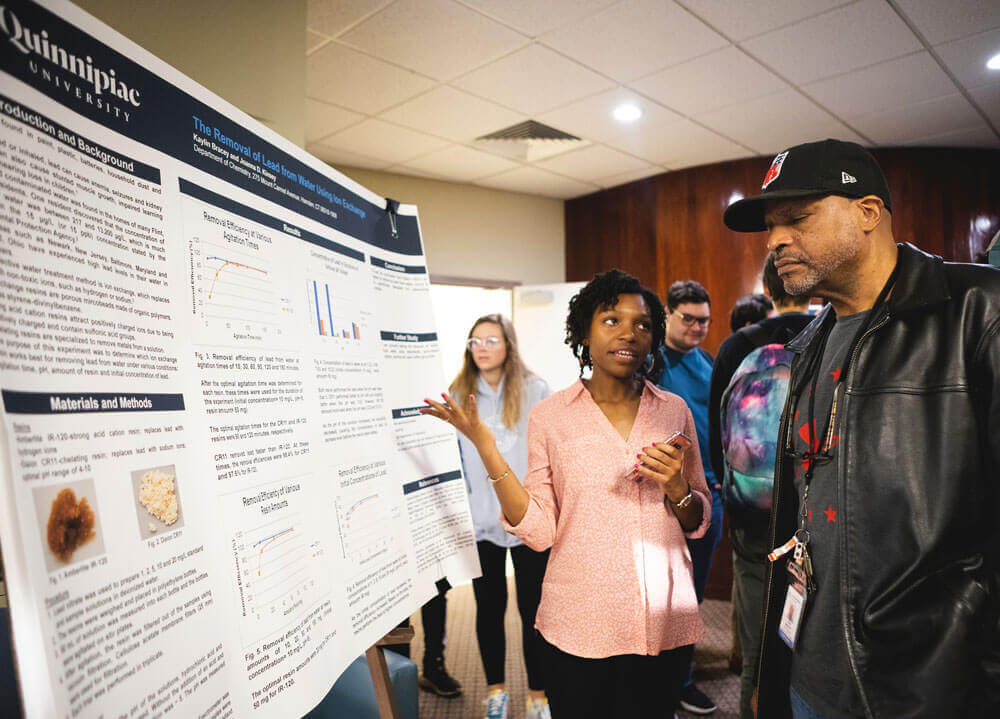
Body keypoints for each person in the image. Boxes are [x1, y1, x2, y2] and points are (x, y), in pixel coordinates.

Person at [723, 138, 1000, 718]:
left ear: (868, 212)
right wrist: (775, 669)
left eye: (797, 219)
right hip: (810, 677)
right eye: (770, 227)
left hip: (929, 689)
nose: (774, 241)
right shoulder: (807, 345)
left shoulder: (979, 312)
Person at [421, 270, 712, 718]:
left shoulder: (673, 410)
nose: (629, 333)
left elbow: (696, 518)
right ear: (584, 333)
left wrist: (678, 488)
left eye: (642, 324)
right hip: (580, 621)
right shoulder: (551, 416)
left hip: (660, 617)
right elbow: (539, 529)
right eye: (611, 320)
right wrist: (486, 448)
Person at [707, 256, 812, 719]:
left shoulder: (736, 346)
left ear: (767, 290)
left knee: (757, 639)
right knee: (810, 640)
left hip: (751, 513)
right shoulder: (832, 334)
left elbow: (718, 436)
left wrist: (731, 489)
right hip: (814, 510)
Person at [449, 314, 551, 719]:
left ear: (508, 344)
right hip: (480, 523)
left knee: (534, 612)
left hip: (529, 518)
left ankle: (538, 696)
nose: (482, 348)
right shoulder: (458, 394)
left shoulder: (535, 389)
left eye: (491, 340)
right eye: (475, 341)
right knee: (488, 611)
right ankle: (496, 694)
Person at [655, 280, 720, 716]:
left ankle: (681, 680)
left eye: (704, 321)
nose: (697, 327)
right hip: (661, 496)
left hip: (707, 493)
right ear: (668, 315)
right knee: (661, 597)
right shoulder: (651, 363)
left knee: (691, 598)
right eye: (689, 319)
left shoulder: (709, 362)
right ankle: (656, 682)